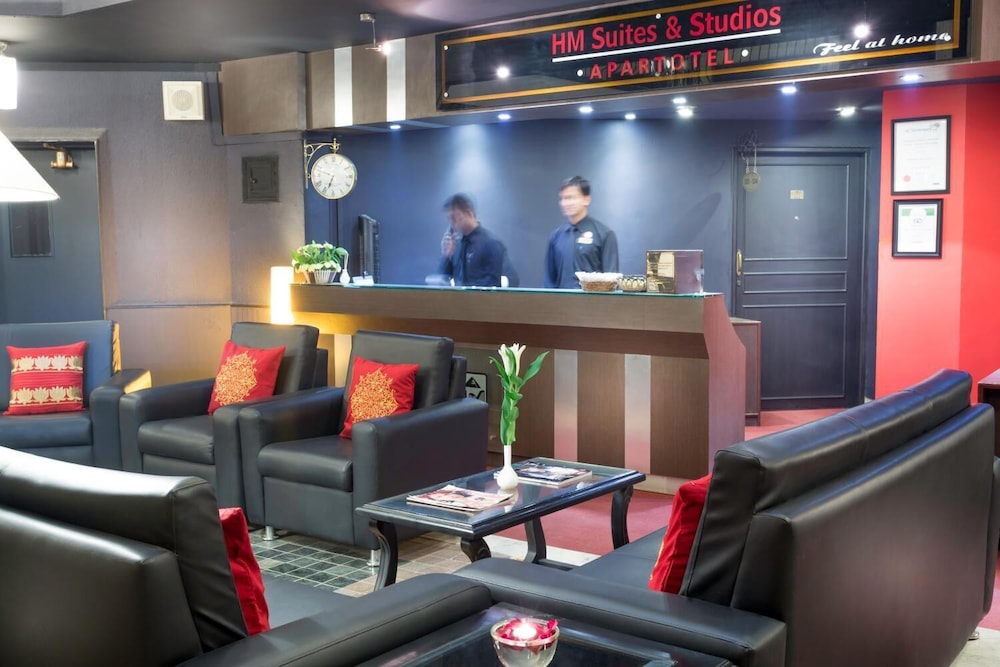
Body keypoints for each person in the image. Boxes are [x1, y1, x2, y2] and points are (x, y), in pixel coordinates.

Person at [544, 176, 619, 289]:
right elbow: (549, 281)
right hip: (561, 299)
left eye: (571, 198)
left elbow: (612, 282)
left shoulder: (604, 234)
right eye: (563, 198)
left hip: (592, 299)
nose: (565, 203)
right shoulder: (556, 236)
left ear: (586, 199)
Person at [437, 193, 506, 287]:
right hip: (459, 296)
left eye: (454, 217)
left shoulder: (491, 243)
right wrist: (447, 255)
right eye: (449, 219)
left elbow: (492, 283)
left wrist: (465, 290)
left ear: (469, 213)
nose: (452, 223)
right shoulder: (457, 245)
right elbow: (442, 279)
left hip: (478, 296)